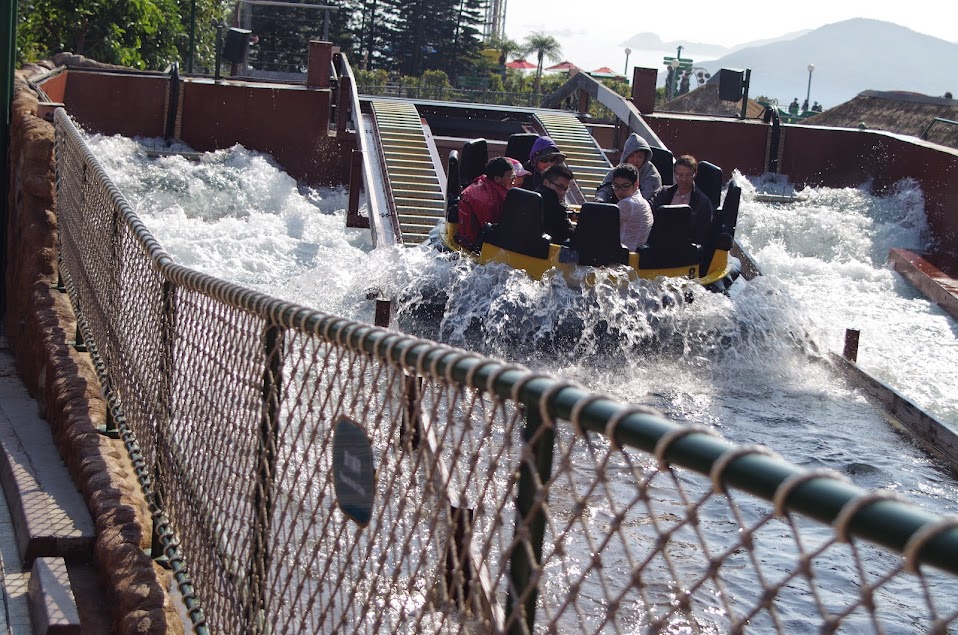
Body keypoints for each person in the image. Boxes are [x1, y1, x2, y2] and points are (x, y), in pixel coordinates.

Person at [648, 154, 714, 247]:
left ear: (695, 174)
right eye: (680, 175)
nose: (683, 179)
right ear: (675, 173)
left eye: (688, 175)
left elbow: (702, 235)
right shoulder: (664, 192)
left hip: (685, 249)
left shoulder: (703, 203)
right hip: (659, 243)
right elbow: (649, 209)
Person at [455, 156, 517, 252]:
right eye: (509, 175)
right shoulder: (488, 201)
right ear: (497, 179)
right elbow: (492, 231)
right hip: (473, 244)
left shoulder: (488, 185)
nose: (514, 178)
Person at [595, 133, 662, 202]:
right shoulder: (616, 171)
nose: (635, 160)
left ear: (645, 158)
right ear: (625, 156)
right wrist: (600, 200)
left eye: (640, 157)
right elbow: (606, 187)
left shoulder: (652, 177)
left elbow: (645, 202)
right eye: (631, 156)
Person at [610, 163, 653, 251]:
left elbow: (601, 225)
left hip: (625, 257)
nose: (620, 191)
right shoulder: (642, 201)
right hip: (634, 255)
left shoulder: (627, 203)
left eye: (625, 186)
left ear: (636, 184)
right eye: (616, 186)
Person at [536, 163, 575, 244]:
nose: (563, 193)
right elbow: (567, 234)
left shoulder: (532, 197)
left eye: (566, 189)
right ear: (546, 182)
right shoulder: (556, 207)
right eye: (560, 187)